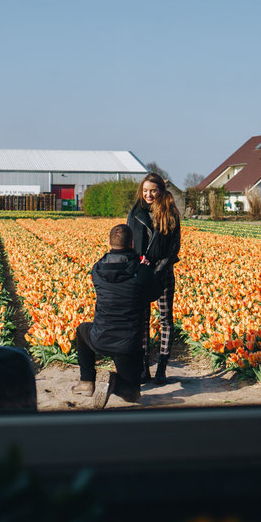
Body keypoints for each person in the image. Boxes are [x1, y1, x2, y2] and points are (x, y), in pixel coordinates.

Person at [72, 223, 156, 409]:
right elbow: (153, 295)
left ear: (109, 242)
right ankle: (112, 381)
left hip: (99, 338)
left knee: (81, 330)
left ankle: (87, 381)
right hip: (128, 345)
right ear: (132, 243)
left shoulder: (97, 269)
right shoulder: (141, 272)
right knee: (132, 394)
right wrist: (147, 270)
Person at [126, 172, 181, 384]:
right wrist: (137, 266)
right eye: (145, 190)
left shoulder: (170, 214)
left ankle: (162, 367)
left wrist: (157, 269)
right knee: (142, 320)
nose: (148, 194)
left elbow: (173, 248)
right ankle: (143, 368)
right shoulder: (135, 212)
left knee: (165, 319)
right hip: (140, 274)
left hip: (163, 273)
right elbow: (129, 243)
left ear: (160, 191)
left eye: (153, 190)